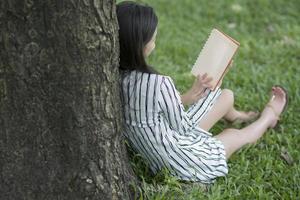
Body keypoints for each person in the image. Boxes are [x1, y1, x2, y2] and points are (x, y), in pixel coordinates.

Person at [116, 1, 288, 183]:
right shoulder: (158, 83)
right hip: (181, 161)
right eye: (153, 37)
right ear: (142, 45)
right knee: (232, 135)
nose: (155, 38)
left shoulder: (118, 76)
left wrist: (189, 96)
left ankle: (237, 116)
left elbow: (150, 110)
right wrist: (213, 83)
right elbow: (183, 128)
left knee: (225, 95)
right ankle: (268, 117)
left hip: (163, 140)